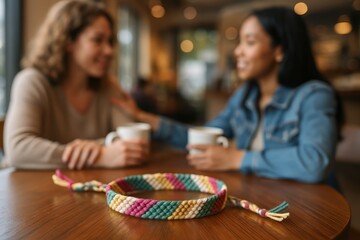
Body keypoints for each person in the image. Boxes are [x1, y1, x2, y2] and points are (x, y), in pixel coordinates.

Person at [113, 6, 343, 183]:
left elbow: (315, 163)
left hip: (312, 208)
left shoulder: (314, 95)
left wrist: (237, 158)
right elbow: (201, 138)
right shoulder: (245, 95)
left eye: (249, 42)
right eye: (240, 42)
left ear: (279, 50)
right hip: (261, 199)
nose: (237, 51)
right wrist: (143, 117)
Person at [4, 0, 149, 169]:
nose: (109, 50)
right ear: (68, 42)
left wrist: (98, 148)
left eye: (110, 41)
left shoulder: (108, 86)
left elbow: (130, 140)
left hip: (83, 189)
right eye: (97, 40)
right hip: (28, 190)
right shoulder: (32, 81)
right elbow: (18, 149)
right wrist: (100, 156)